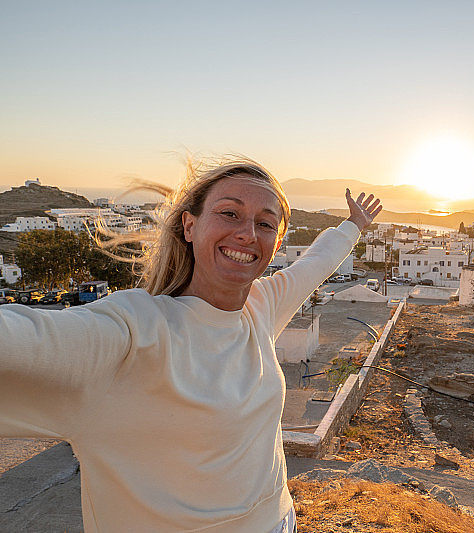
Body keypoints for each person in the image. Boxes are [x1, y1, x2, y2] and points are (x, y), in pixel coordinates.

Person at [0, 158, 382, 532]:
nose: (248, 233)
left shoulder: (259, 306)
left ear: (276, 242)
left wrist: (354, 224)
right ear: (189, 225)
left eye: (265, 223)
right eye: (230, 213)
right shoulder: (133, 330)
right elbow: (23, 337)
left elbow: (315, 263)